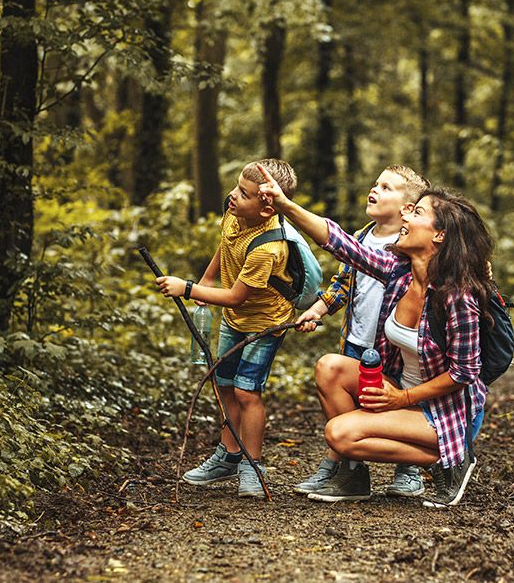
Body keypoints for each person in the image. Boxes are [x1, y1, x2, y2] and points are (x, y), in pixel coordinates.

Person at [255, 163, 493, 507]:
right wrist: (285, 205)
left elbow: (464, 373)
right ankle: (353, 477)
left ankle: (452, 460)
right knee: (330, 367)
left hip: (445, 409)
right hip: (402, 389)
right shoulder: (398, 271)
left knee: (339, 434)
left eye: (418, 213)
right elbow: (338, 242)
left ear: (439, 235)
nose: (407, 218)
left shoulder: (457, 297)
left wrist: (402, 400)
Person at [155, 159, 298, 498]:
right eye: (236, 187)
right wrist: (206, 279)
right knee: (224, 384)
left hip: (266, 324)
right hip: (236, 322)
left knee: (248, 390)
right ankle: (229, 454)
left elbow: (235, 297)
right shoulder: (236, 214)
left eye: (244, 194)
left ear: (265, 210)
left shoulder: (268, 247)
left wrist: (188, 288)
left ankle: (252, 464)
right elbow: (227, 244)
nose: (233, 197)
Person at [291, 165, 430, 499]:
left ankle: (408, 470)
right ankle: (349, 468)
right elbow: (342, 284)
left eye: (386, 187)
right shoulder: (362, 236)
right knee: (345, 398)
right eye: (375, 183)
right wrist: (318, 309)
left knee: (397, 406)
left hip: (394, 352)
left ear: (407, 209)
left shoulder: (410, 247)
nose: (375, 189)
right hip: (356, 341)